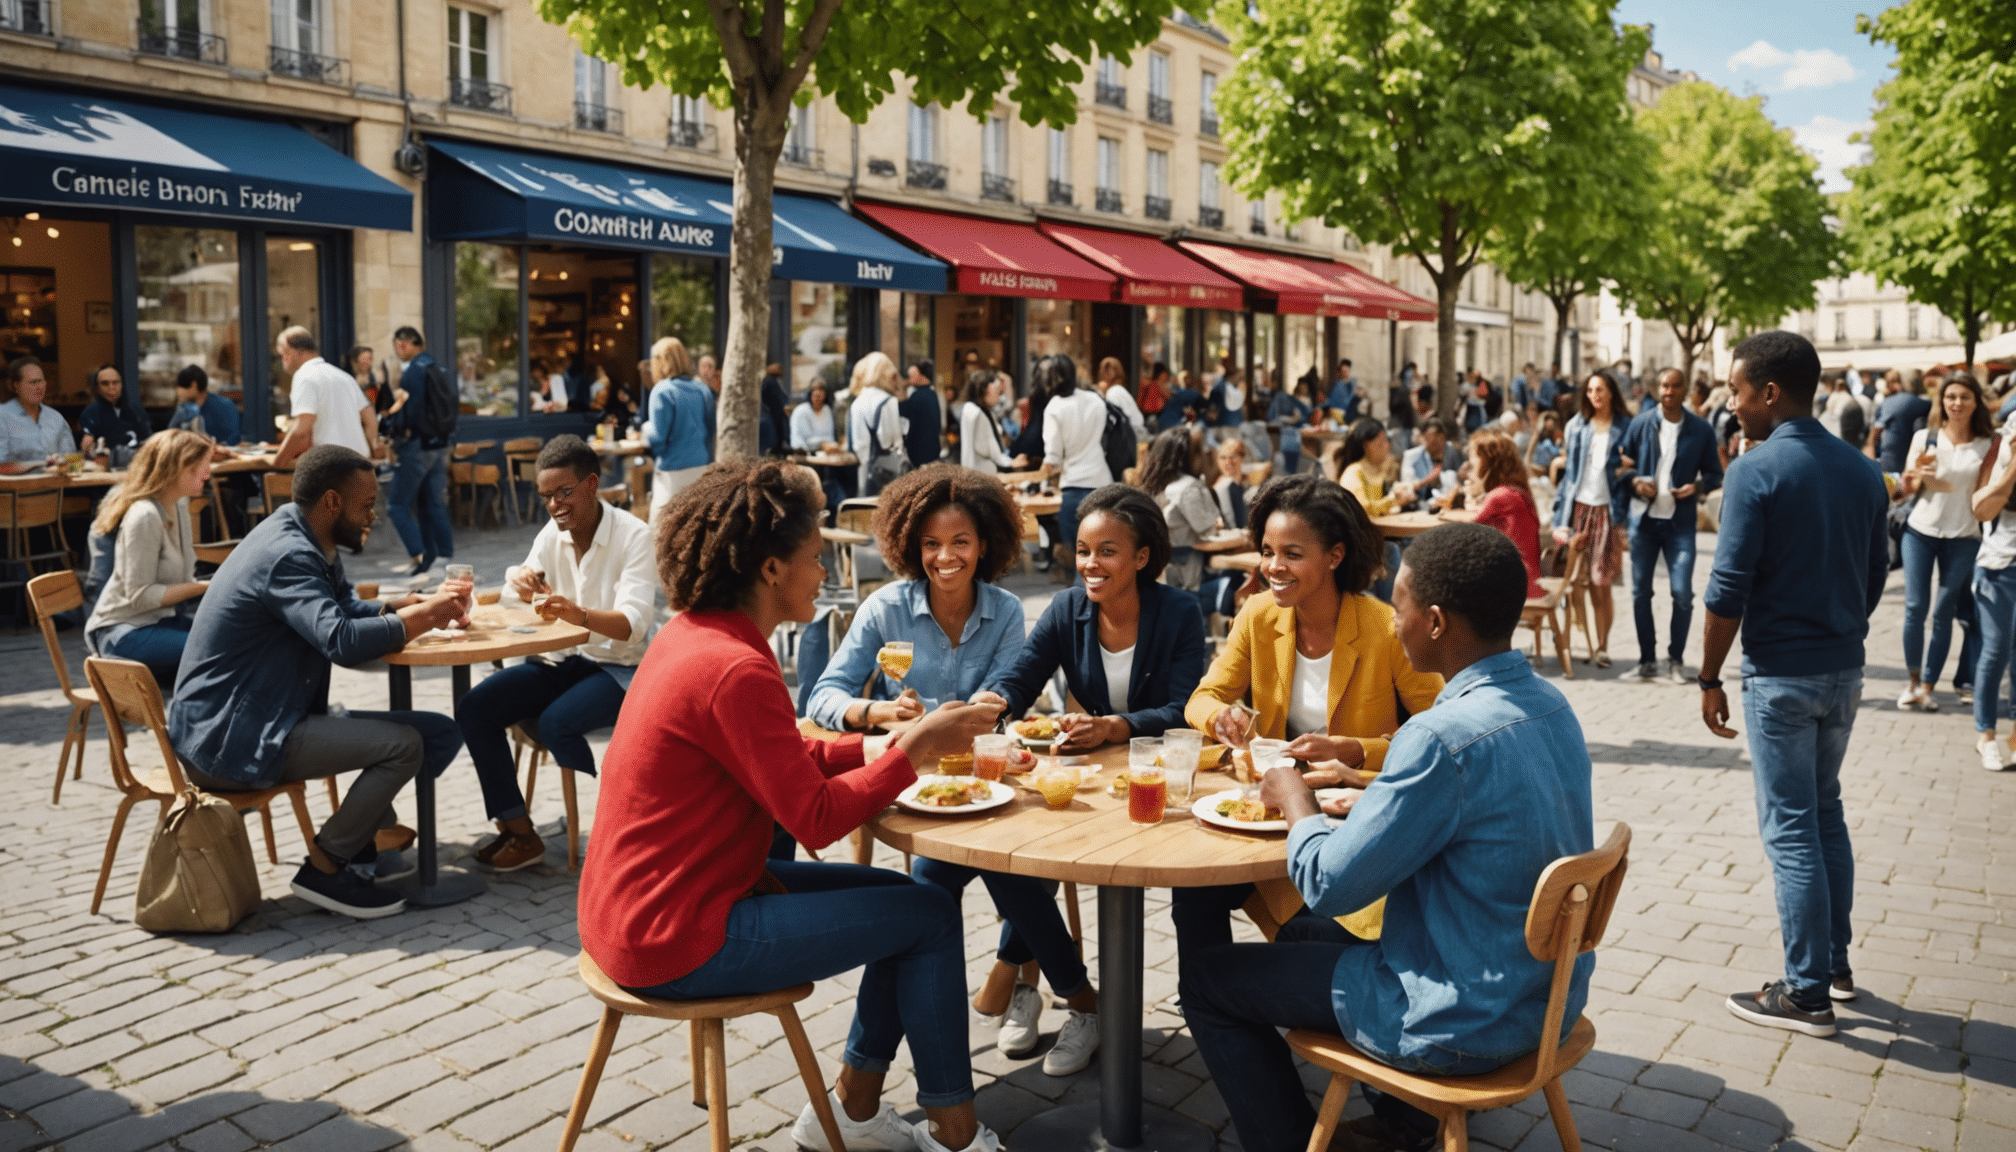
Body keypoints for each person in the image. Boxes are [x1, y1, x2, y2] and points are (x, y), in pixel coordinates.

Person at [576, 459, 1005, 1152]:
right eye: (813, 558)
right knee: (926, 913)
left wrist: (872, 747)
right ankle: (953, 1133)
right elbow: (815, 820)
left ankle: (854, 1113)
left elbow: (774, 760)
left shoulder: (694, 634)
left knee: (910, 906)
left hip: (638, 910)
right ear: (771, 569)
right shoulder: (737, 667)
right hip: (677, 934)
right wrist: (912, 749)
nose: (823, 574)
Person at [1184, 523, 1594, 1152]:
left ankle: (1293, 1141)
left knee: (1210, 980)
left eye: (1398, 606)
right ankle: (1405, 1120)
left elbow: (1327, 884)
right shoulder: (1549, 704)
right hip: (1540, 1001)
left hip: (1453, 1017)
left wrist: (1294, 795)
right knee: (1299, 935)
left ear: (1433, 622)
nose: (1391, 621)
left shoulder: (1439, 736)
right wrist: (1372, 792)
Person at [169, 445, 469, 919]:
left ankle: (367, 841)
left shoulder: (308, 535)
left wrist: (400, 608)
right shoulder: (288, 554)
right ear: (331, 502)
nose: (374, 514)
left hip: (263, 716)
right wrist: (423, 619)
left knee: (440, 732)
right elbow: (342, 640)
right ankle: (326, 867)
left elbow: (343, 609)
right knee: (405, 744)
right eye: (366, 503)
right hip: (232, 737)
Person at [1696, 331, 1887, 1037]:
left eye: (1738, 389)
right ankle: (1833, 965)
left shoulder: (1755, 469)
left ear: (1769, 392)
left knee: (1793, 829)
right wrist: (1838, 627)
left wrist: (1708, 675)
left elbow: (1725, 590)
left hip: (1780, 672)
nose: (1732, 402)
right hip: (1844, 668)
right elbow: (1874, 576)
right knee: (1824, 810)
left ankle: (1806, 992)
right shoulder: (1864, 471)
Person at [1178, 472, 1446, 968]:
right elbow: (1202, 697)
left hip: (1349, 820)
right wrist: (1220, 720)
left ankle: (1242, 998)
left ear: (1335, 556)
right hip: (1265, 808)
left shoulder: (1384, 629)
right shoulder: (1257, 616)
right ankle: (1215, 1001)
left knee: (1315, 929)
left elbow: (1440, 734)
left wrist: (1355, 751)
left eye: (1292, 554)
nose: (1273, 567)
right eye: (1266, 551)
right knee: (1193, 889)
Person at [455, 436, 657, 872]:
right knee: (476, 706)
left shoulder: (634, 536)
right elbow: (515, 593)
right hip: (565, 661)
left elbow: (633, 624)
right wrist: (519, 580)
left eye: (563, 492)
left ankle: (612, 837)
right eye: (545, 495)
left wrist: (578, 613)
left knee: (555, 721)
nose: (553, 504)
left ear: (591, 485)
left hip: (623, 670)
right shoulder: (553, 532)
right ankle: (519, 831)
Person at [979, 483, 1207, 751]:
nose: (1090, 564)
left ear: (1141, 557)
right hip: (1098, 764)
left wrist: (1113, 726)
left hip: (1162, 762)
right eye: (1083, 551)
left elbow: (1183, 709)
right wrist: (997, 699)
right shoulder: (1065, 609)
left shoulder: (1181, 613)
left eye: (1107, 551)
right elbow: (1022, 677)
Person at [83, 430, 213, 687]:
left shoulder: (179, 504)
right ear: (178, 468)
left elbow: (183, 579)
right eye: (201, 467)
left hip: (160, 621)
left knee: (239, 637)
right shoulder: (144, 516)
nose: (208, 474)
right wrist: (205, 587)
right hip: (123, 632)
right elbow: (140, 596)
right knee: (219, 650)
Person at [1618, 368, 1724, 683]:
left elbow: (1715, 475)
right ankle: (1647, 661)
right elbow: (1622, 468)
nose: (1668, 391)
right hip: (1645, 521)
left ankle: (1675, 661)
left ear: (1685, 390)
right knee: (1640, 593)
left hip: (1681, 524)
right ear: (1658, 388)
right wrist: (1636, 481)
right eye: (1664, 385)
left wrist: (1697, 486)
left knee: (1682, 593)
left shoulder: (1701, 430)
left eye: (1675, 386)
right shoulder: (1641, 424)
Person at [1896, 372, 1993, 712]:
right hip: (1920, 531)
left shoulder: (1987, 443)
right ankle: (1911, 681)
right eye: (1950, 396)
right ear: (1942, 400)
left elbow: (1987, 493)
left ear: (1975, 401)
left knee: (1943, 611)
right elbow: (1906, 489)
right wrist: (1911, 480)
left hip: (1965, 536)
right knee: (1914, 607)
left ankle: (1928, 686)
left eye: (1964, 397)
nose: (1957, 403)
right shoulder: (1926, 437)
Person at [1550, 371, 1633, 668]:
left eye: (1600, 389)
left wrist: (1628, 467)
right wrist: (1560, 516)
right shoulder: (1576, 426)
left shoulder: (1626, 427)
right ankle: (1575, 640)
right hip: (1579, 509)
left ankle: (1602, 646)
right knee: (1574, 582)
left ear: (1611, 392)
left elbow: (1638, 467)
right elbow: (1569, 476)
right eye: (1590, 390)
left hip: (1607, 512)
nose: (1595, 395)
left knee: (1602, 582)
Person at [383, 326, 456, 579]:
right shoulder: (437, 367)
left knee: (396, 506)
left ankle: (421, 557)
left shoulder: (414, 371)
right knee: (432, 502)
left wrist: (393, 428)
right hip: (439, 445)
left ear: (405, 343)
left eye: (398, 346)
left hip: (417, 445)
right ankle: (442, 556)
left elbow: (410, 413)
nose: (397, 351)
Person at [1970, 411, 2016, 769]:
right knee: (1996, 650)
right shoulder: (2006, 437)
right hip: (2000, 563)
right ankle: (1985, 734)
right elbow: (1983, 507)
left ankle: (2015, 736)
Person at [1039, 354, 1114, 566]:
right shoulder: (1095, 399)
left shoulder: (1054, 407)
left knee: (1081, 558)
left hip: (1073, 487)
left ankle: (1084, 597)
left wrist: (1041, 474)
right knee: (1102, 554)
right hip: (1102, 482)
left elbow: (1053, 455)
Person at [272, 327, 375, 467]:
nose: (283, 360)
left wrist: (278, 461)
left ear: (297, 352)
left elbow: (302, 429)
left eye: (284, 354)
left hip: (332, 465)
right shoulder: (344, 377)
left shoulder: (304, 376)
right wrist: (373, 448)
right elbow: (370, 420)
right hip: (360, 462)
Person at [1464, 429, 1544, 599]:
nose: (1470, 464)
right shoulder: (1513, 491)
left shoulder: (1499, 496)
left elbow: (1465, 528)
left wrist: (1470, 494)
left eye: (1474, 457)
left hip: (1515, 585)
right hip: (1528, 579)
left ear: (1489, 461)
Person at [645, 336, 716, 518]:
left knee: (661, 532)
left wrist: (645, 430)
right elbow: (710, 431)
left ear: (660, 362)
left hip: (672, 473)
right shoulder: (702, 389)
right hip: (701, 468)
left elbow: (659, 439)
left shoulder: (662, 390)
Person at [1140, 428, 1220, 591]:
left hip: (1160, 568)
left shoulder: (1153, 485)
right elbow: (1206, 526)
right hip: (1189, 572)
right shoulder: (1188, 486)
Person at [848, 351, 908, 496]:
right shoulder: (888, 401)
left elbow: (859, 445)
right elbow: (893, 442)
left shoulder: (857, 402)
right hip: (889, 473)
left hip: (867, 473)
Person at [0, 356, 74, 472]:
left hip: (54, 488)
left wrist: (64, 463)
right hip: (15, 488)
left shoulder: (56, 418)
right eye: (33, 382)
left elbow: (70, 460)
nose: (39, 387)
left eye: (41, 381)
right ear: (16, 386)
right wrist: (40, 466)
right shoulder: (2, 416)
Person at [78, 364, 151, 463]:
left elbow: (148, 442)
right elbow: (86, 449)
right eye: (105, 383)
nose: (111, 387)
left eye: (115, 382)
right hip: (105, 469)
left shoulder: (136, 410)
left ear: (121, 385)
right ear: (97, 388)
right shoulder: (90, 413)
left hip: (136, 466)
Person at [956, 370, 1020, 474]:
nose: (999, 398)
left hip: (981, 475)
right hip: (981, 476)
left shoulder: (980, 410)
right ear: (986, 388)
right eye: (998, 391)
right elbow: (972, 452)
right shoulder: (974, 412)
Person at [1870, 369, 1931, 473]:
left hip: (1890, 456)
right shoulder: (1919, 402)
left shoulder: (1888, 401)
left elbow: (1877, 427)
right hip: (1899, 457)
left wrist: (1870, 446)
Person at [170, 364, 241, 446]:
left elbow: (233, 438)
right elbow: (171, 434)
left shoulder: (224, 406)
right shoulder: (185, 408)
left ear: (194, 385)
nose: (177, 391)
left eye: (180, 387)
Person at [1398, 416, 1460, 511]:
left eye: (1440, 438)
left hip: (1445, 506)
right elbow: (1405, 488)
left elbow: (1457, 484)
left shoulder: (1453, 454)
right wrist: (1426, 481)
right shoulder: (1411, 456)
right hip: (1417, 507)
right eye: (1430, 439)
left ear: (1444, 438)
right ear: (1422, 438)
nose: (1434, 441)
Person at [900, 359, 943, 469]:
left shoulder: (918, 396)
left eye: (913, 374)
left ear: (921, 375)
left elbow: (903, 412)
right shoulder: (932, 394)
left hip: (921, 453)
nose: (909, 379)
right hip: (932, 451)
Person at [1270, 372, 1315, 475]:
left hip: (1301, 425)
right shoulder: (1290, 399)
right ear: (1298, 387)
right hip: (1290, 426)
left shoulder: (1307, 400)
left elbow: (1305, 414)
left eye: (1306, 387)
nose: (1304, 389)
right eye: (1302, 387)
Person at [1097, 356, 1147, 440]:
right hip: (1137, 433)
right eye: (1105, 369)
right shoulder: (1118, 390)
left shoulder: (1114, 392)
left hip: (1132, 436)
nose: (1107, 372)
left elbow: (1114, 421)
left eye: (1110, 369)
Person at [791, 379, 839, 453]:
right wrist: (823, 444)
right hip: (803, 455)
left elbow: (830, 437)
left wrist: (830, 445)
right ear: (810, 393)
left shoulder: (827, 410)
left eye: (821, 390)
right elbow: (806, 441)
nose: (817, 393)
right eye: (814, 389)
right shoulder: (801, 411)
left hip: (824, 454)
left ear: (826, 394)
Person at [759, 363, 791, 456]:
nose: (780, 369)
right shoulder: (769, 381)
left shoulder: (774, 381)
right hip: (773, 419)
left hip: (776, 420)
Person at [1207, 366, 1247, 441]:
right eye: (1239, 377)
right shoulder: (1220, 388)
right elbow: (1212, 412)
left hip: (1230, 425)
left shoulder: (1227, 387)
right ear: (1232, 376)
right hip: (1225, 426)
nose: (1240, 380)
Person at [1138, 360, 1170, 424]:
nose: (1166, 376)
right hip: (1149, 412)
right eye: (1164, 373)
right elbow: (1141, 398)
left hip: (1156, 412)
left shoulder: (1159, 384)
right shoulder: (1148, 384)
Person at [1325, 359, 1357, 424]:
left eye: (1346, 371)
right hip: (1335, 412)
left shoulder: (1352, 384)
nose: (1344, 373)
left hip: (1346, 413)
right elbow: (1329, 400)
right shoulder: (1337, 384)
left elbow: (1350, 401)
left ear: (1349, 370)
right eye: (1343, 371)